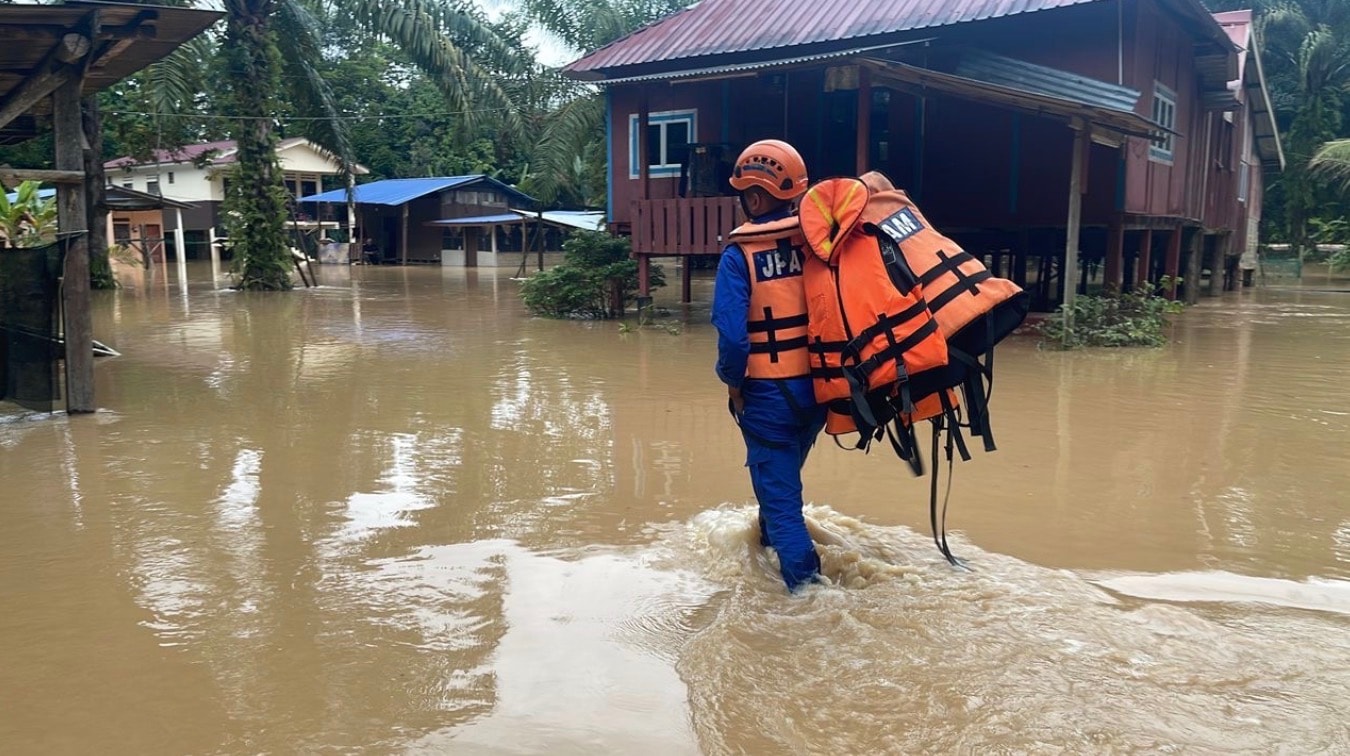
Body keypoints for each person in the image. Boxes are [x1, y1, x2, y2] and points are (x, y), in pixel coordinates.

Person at [711, 139, 826, 592]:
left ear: (754, 197)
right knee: (782, 480)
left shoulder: (738, 257)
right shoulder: (817, 244)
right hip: (819, 391)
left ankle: (809, 598)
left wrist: (732, 384)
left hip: (767, 395)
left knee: (783, 506)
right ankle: (764, 543)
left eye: (743, 193)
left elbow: (734, 339)